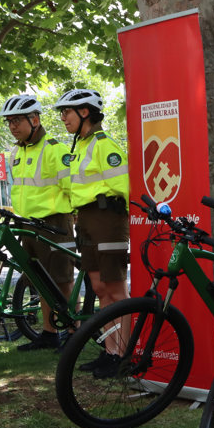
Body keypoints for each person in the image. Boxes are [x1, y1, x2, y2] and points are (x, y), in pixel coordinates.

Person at [55, 88, 130, 374]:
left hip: (107, 218)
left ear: (84, 112)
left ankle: (123, 354)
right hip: (85, 218)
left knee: (116, 288)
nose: (63, 118)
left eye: (67, 112)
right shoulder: (81, 146)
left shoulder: (104, 145)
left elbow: (123, 186)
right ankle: (110, 351)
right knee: (99, 288)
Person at [0, 93, 75, 351]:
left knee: (62, 279)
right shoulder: (15, 153)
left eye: (17, 120)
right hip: (28, 224)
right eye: (9, 121)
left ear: (35, 119)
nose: (12, 126)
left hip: (55, 223)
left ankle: (73, 332)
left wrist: (71, 218)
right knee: (41, 281)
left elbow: (72, 188)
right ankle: (49, 332)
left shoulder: (55, 149)